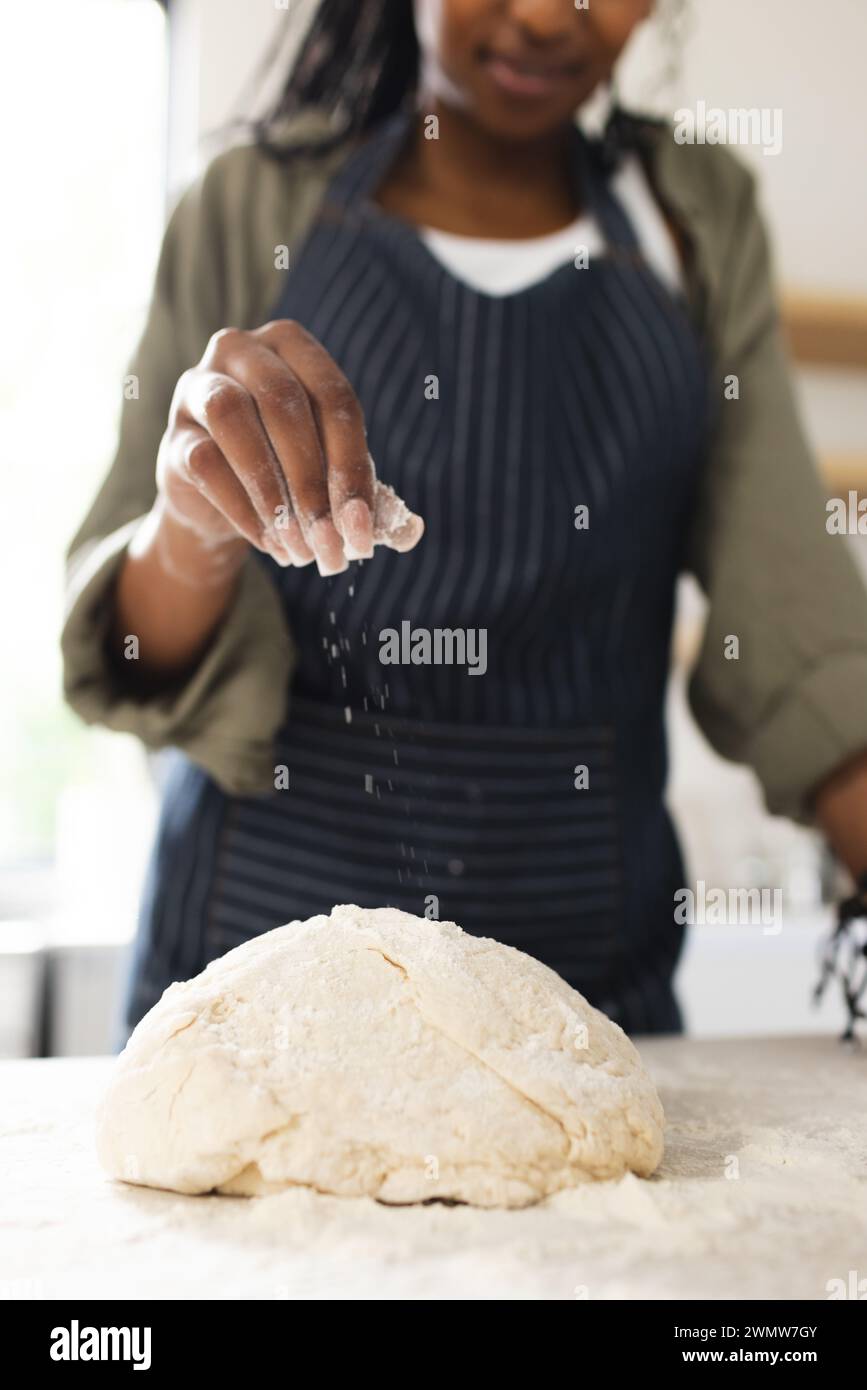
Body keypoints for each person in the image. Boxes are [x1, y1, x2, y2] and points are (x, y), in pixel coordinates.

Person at [63, 0, 867, 1039]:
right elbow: (138, 649)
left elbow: (797, 630)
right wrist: (196, 518)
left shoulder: (694, 220)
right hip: (254, 998)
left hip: (581, 1017)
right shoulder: (251, 206)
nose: (542, 15)